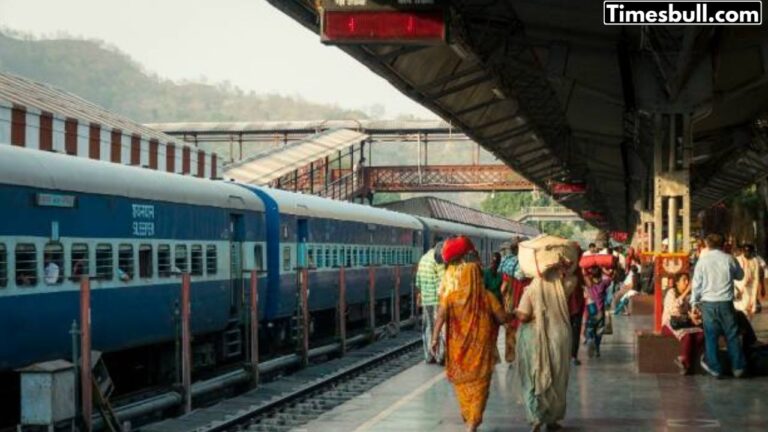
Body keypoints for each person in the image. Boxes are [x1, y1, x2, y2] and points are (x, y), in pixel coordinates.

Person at [431, 236, 506, 432]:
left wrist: (434, 338)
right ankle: (473, 420)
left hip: (459, 351)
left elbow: (440, 316)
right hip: (481, 352)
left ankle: (468, 416)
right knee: (480, 385)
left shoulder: (452, 297)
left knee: (463, 385)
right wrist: (515, 314)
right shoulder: (488, 297)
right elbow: (502, 318)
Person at [514, 244, 576, 432]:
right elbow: (572, 276)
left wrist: (514, 311)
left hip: (535, 338)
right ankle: (552, 419)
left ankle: (536, 419)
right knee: (557, 378)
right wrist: (564, 266)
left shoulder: (532, 289)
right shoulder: (564, 286)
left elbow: (524, 315)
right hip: (560, 337)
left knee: (535, 377)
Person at [691, 233, 746, 378]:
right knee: (732, 335)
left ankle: (715, 368)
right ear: (723, 245)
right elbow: (740, 276)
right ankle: (738, 367)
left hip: (708, 304)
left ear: (708, 244)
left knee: (711, 336)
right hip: (726, 303)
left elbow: (696, 284)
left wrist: (694, 302)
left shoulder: (702, 261)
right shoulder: (729, 259)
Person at [661, 273, 704, 375]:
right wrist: (686, 292)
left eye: (688, 280)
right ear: (677, 282)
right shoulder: (671, 292)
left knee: (701, 334)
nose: (687, 282)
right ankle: (686, 363)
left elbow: (689, 310)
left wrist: (694, 314)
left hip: (684, 322)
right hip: (671, 323)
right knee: (688, 336)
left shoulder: (689, 296)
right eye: (684, 280)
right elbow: (673, 309)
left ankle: (684, 359)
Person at [499, 238, 530, 364]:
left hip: (512, 302)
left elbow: (503, 288)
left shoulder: (507, 264)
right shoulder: (530, 265)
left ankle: (511, 357)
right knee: (527, 328)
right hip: (527, 302)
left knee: (511, 329)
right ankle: (525, 355)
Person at [416, 245, 445, 364]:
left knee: (428, 326)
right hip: (437, 299)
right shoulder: (438, 259)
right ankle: (439, 355)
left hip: (426, 299)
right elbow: (443, 280)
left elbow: (418, 281)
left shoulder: (422, 259)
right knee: (439, 327)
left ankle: (429, 355)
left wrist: (420, 296)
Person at [584, 266, 611, 358]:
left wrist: (588, 272)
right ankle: (597, 349)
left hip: (591, 309)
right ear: (600, 275)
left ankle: (590, 339)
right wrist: (603, 270)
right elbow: (610, 278)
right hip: (600, 310)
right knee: (599, 331)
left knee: (590, 328)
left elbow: (584, 273)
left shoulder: (588, 284)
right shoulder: (603, 284)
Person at [734, 244, 760, 319]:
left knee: (749, 310)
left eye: (749, 251)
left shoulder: (755, 261)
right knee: (739, 310)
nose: (747, 253)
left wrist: (755, 293)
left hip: (750, 289)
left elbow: (756, 278)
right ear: (742, 251)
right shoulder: (737, 260)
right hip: (738, 288)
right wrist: (735, 289)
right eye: (745, 251)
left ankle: (747, 328)